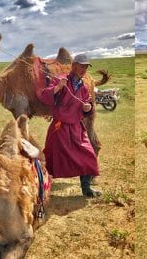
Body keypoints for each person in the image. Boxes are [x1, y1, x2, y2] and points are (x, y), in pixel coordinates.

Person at [39, 53, 102, 197]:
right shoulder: (60, 80)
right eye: (81, 66)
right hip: (59, 128)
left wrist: (88, 108)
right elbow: (44, 96)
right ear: (73, 66)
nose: (84, 70)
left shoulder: (84, 88)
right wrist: (56, 89)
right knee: (51, 158)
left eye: (86, 67)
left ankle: (87, 190)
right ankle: (40, 186)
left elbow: (87, 104)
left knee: (88, 155)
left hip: (76, 128)